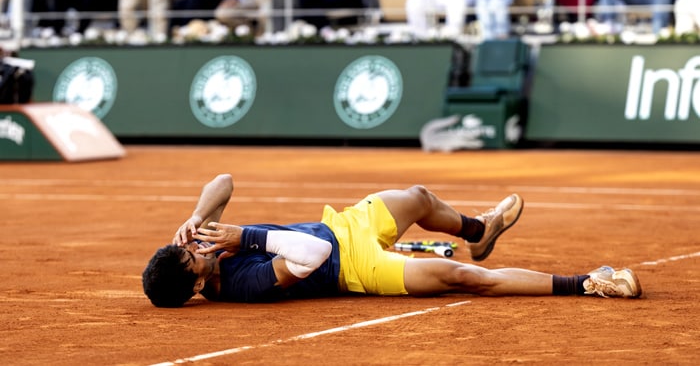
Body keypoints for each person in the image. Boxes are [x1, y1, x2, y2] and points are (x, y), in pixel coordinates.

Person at [142, 173, 642, 307]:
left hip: (345, 224)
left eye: (190, 248)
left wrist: (194, 218)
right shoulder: (242, 286)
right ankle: (590, 284)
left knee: (419, 197)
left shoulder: (199, 245)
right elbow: (313, 256)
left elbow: (224, 181)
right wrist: (245, 235)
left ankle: (478, 229)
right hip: (355, 269)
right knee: (463, 277)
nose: (200, 251)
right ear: (194, 290)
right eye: (193, 260)